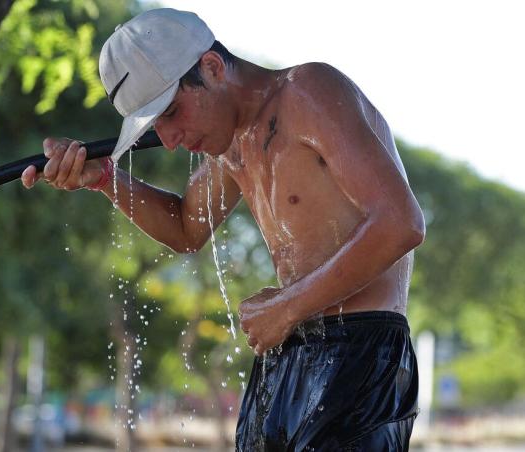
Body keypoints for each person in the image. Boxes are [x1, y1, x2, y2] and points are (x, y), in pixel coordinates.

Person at [22, 8, 425, 451]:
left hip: (361, 349)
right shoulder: (232, 144)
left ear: (212, 68)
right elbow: (184, 229)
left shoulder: (308, 91)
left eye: (172, 111)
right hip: (286, 348)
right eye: (156, 125)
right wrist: (105, 179)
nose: (171, 139)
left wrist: (288, 309)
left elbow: (400, 223)